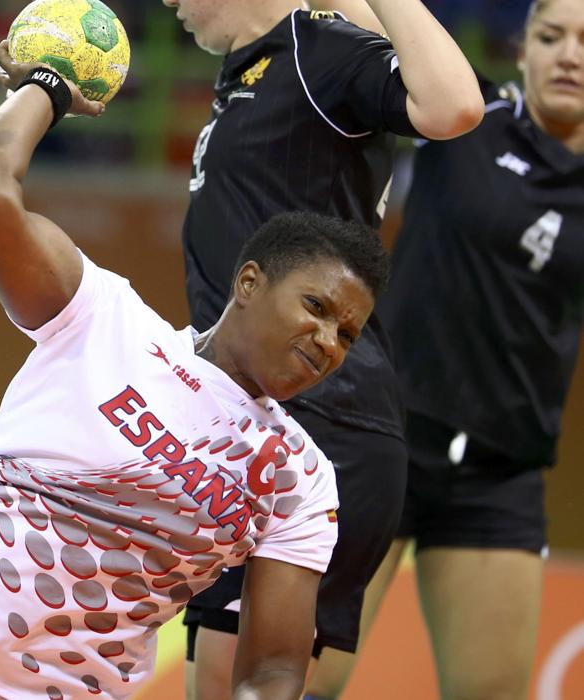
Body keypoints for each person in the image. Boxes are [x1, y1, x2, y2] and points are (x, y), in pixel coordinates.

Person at [0, 43, 393, 700]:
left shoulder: (297, 478)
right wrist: (47, 85)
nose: (327, 340)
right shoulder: (102, 317)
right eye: (316, 308)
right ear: (249, 282)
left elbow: (272, 671)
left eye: (347, 333)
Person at [158, 0, 484, 698]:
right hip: (250, 423)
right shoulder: (257, 66)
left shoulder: (320, 52)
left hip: (321, 419)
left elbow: (454, 107)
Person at [306, 0, 584, 698]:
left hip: (501, 470)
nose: (570, 56)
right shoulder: (471, 118)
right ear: (522, 51)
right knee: (299, 681)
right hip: (384, 439)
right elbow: (355, 19)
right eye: (552, 37)